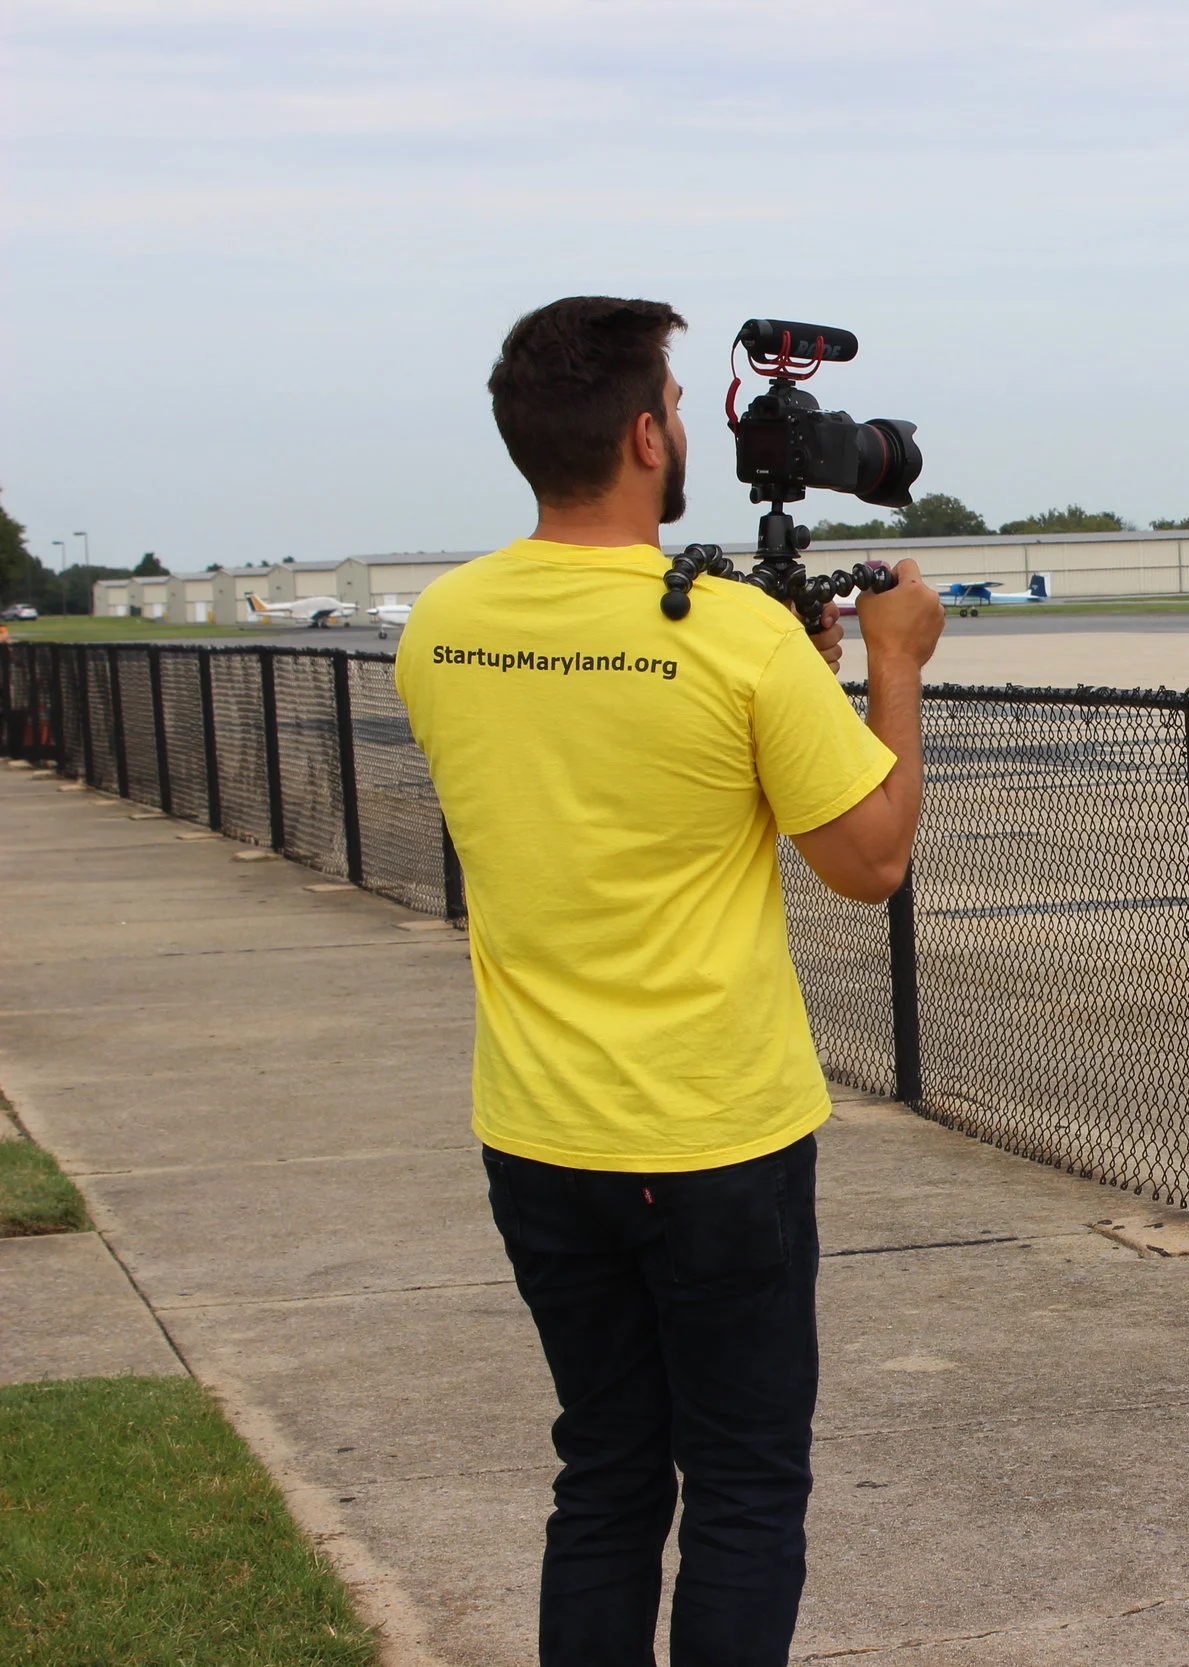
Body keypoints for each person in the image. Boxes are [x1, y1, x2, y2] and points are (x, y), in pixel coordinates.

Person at [396, 296, 944, 1664]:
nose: (692, 427)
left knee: (606, 1473)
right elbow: (867, 861)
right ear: (646, 434)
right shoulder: (734, 637)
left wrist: (775, 688)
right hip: (712, 1130)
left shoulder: (442, 624)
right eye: (684, 406)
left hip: (535, 1127)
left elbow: (605, 771)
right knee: (746, 1482)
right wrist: (892, 667)